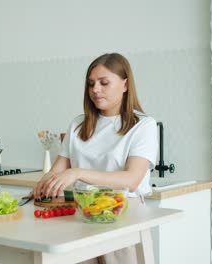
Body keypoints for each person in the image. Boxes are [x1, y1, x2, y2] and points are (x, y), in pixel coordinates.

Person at [34, 53, 158, 264]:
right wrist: (45, 182)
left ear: (125, 84)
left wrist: (77, 172)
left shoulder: (143, 125)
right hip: (82, 214)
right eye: (91, 84)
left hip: (123, 215)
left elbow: (131, 180)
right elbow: (57, 170)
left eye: (104, 83)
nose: (95, 90)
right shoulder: (78, 125)